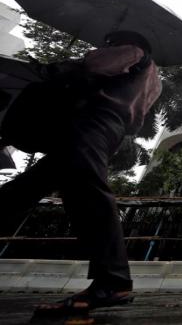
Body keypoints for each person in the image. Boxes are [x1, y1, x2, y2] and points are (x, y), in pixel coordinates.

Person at [0, 30, 161, 314]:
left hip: (93, 121)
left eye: (111, 43)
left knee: (89, 192)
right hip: (109, 128)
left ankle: (113, 280)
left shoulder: (133, 52)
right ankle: (112, 280)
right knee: (23, 190)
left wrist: (74, 63)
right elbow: (137, 123)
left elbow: (95, 66)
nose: (106, 45)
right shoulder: (153, 80)